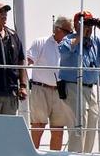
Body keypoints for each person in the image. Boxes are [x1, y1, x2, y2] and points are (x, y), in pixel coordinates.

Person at [58, 11, 100, 152]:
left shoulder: (96, 43)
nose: (89, 28)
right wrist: (80, 36)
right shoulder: (70, 39)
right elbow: (63, 50)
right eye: (85, 24)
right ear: (76, 25)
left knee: (92, 120)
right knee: (79, 124)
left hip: (89, 89)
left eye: (90, 24)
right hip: (73, 86)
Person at [27, 17, 75, 149]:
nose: (70, 35)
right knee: (38, 126)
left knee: (58, 130)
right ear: (57, 29)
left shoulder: (71, 46)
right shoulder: (40, 42)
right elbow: (28, 60)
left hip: (60, 90)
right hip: (40, 89)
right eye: (68, 31)